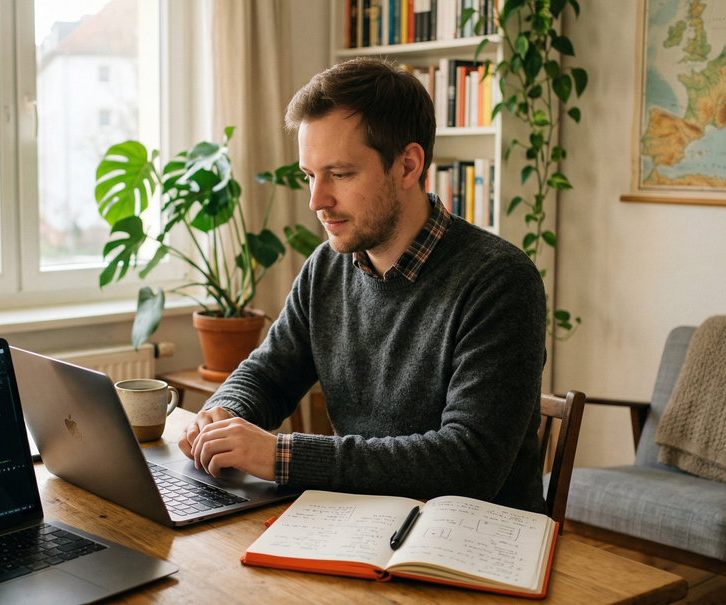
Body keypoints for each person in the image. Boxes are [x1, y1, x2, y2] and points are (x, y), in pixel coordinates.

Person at [177, 57, 548, 513]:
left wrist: (280, 456)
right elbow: (269, 375)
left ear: (408, 165)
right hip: (361, 523)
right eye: (310, 175)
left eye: (340, 174)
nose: (317, 200)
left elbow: (469, 463)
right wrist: (223, 416)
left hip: (472, 546)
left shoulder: (499, 281)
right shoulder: (326, 270)